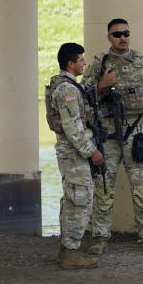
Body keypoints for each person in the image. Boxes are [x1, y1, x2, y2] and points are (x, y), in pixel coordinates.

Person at [84, 19, 143, 255]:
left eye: (126, 33)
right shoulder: (99, 65)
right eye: (117, 34)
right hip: (107, 135)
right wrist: (101, 85)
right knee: (103, 187)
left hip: (136, 134)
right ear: (109, 37)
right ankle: (100, 238)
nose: (122, 37)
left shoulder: (142, 64)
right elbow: (83, 97)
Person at [48, 43, 105, 269]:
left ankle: (66, 250)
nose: (84, 63)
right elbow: (73, 128)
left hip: (72, 154)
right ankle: (71, 253)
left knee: (71, 200)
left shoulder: (68, 86)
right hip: (75, 155)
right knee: (80, 201)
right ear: (70, 63)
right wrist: (93, 152)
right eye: (81, 60)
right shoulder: (68, 91)